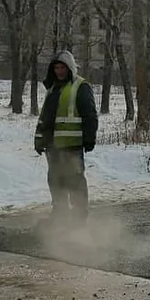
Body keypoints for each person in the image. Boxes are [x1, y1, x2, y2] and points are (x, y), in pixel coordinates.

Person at [33, 50, 98, 223]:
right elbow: (46, 118)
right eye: (56, 68)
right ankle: (60, 215)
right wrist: (39, 140)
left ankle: (79, 217)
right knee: (56, 181)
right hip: (54, 148)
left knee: (75, 181)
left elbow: (90, 114)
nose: (59, 71)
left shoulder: (80, 86)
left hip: (72, 145)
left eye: (62, 67)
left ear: (70, 68)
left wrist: (89, 138)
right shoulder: (53, 88)